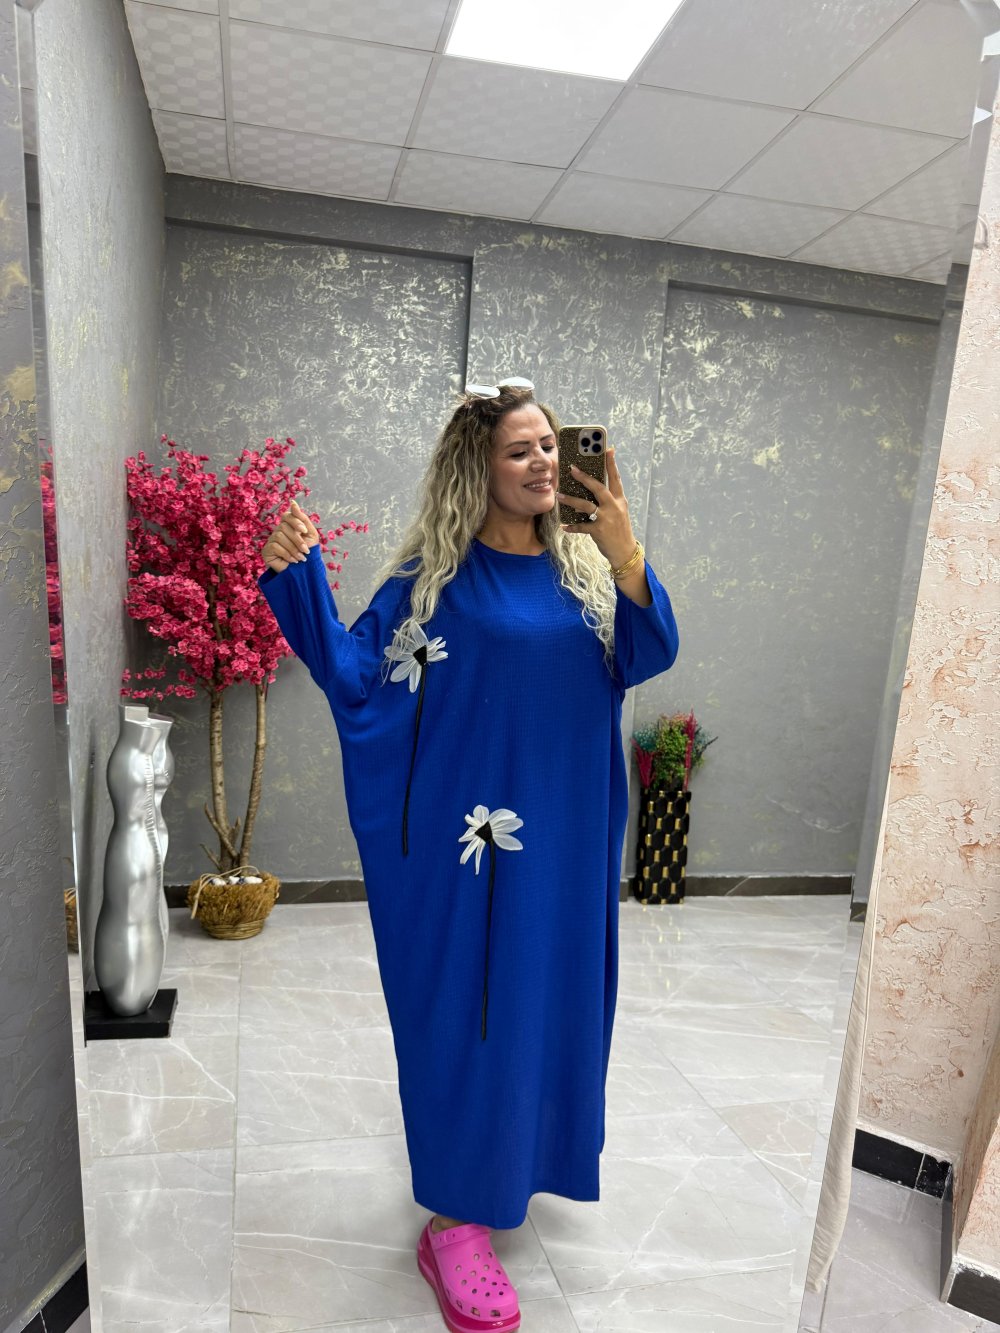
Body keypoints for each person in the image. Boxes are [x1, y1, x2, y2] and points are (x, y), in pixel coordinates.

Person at [259, 380, 679, 1333]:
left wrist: (622, 547)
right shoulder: (435, 583)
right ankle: (454, 1219)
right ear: (477, 469)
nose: (543, 462)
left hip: (566, 846)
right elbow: (358, 676)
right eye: (521, 450)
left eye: (549, 446)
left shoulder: (586, 574)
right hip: (478, 855)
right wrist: (299, 574)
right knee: (475, 1011)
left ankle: (517, 1165)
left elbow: (649, 653)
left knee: (549, 1006)